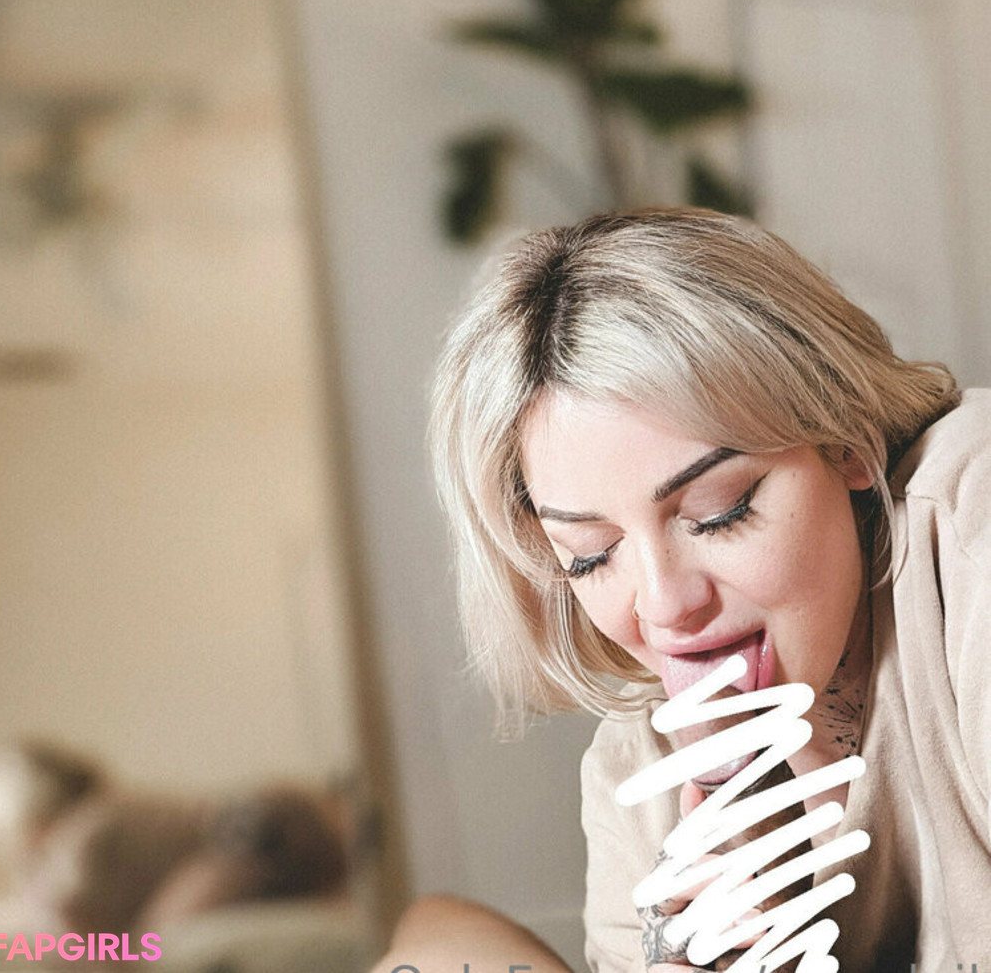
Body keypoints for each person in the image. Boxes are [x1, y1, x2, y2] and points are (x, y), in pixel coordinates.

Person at [372, 208, 991, 973]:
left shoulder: (970, 533)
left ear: (845, 436)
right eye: (592, 557)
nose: (665, 606)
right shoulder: (635, 778)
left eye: (719, 512)